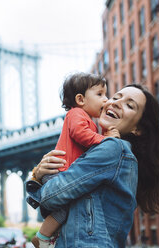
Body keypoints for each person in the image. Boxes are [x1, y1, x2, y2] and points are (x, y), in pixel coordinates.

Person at [26, 84, 159, 248]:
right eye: (116, 97)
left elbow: (51, 198)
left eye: (129, 105)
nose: (117, 103)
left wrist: (37, 178)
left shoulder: (114, 148)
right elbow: (60, 208)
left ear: (137, 128)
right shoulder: (114, 156)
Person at [29, 73, 120, 248]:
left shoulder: (88, 121)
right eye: (100, 94)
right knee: (65, 208)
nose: (106, 99)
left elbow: (91, 146)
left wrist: (104, 134)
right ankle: (42, 237)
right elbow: (81, 134)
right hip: (59, 172)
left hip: (64, 173)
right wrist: (106, 140)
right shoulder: (76, 114)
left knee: (67, 210)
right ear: (80, 99)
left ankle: (48, 236)